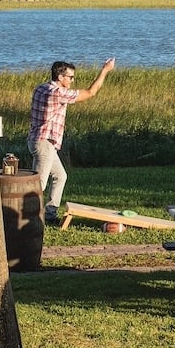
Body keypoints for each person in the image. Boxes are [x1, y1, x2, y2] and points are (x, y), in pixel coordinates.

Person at [27, 58, 115, 224]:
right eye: (70, 77)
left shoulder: (41, 88)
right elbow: (90, 93)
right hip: (44, 143)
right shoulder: (57, 93)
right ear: (60, 77)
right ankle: (28, 218)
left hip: (40, 141)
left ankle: (49, 214)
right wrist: (105, 70)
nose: (72, 80)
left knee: (60, 176)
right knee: (39, 184)